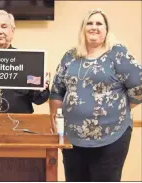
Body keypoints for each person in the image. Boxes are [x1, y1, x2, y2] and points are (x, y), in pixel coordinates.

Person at [49, 9, 142, 182]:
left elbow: (139, 86)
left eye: (99, 23)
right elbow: (57, 90)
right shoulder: (70, 56)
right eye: (89, 23)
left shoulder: (118, 53)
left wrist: (122, 107)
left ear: (106, 30)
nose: (94, 27)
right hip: (72, 138)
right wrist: (56, 118)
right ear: (83, 28)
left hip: (111, 136)